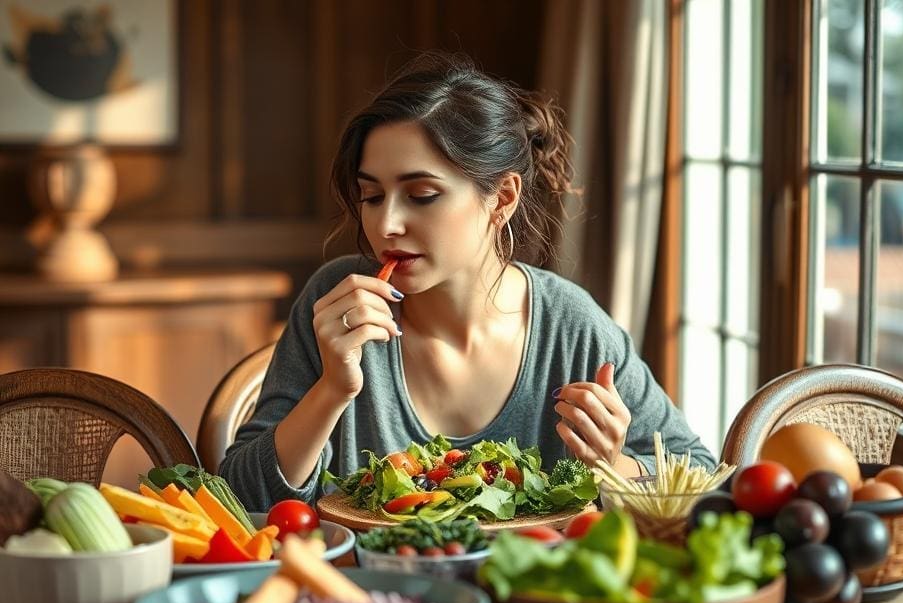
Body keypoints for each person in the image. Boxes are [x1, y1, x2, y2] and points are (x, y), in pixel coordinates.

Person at [221, 51, 714, 511]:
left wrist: (615, 469)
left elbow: (704, 478)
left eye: (422, 194)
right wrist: (331, 390)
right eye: (372, 196)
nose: (387, 224)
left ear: (502, 198)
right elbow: (239, 499)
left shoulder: (571, 326)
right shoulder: (337, 303)